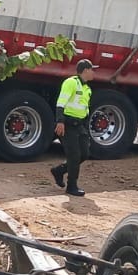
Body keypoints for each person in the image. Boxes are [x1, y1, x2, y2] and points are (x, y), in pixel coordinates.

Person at [50, 59, 95, 197]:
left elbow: (85, 109)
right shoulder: (71, 82)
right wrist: (60, 121)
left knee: (84, 154)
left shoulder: (87, 88)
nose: (93, 73)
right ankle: (72, 186)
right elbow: (61, 102)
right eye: (92, 70)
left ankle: (59, 170)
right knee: (74, 156)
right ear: (86, 70)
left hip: (80, 125)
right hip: (68, 125)